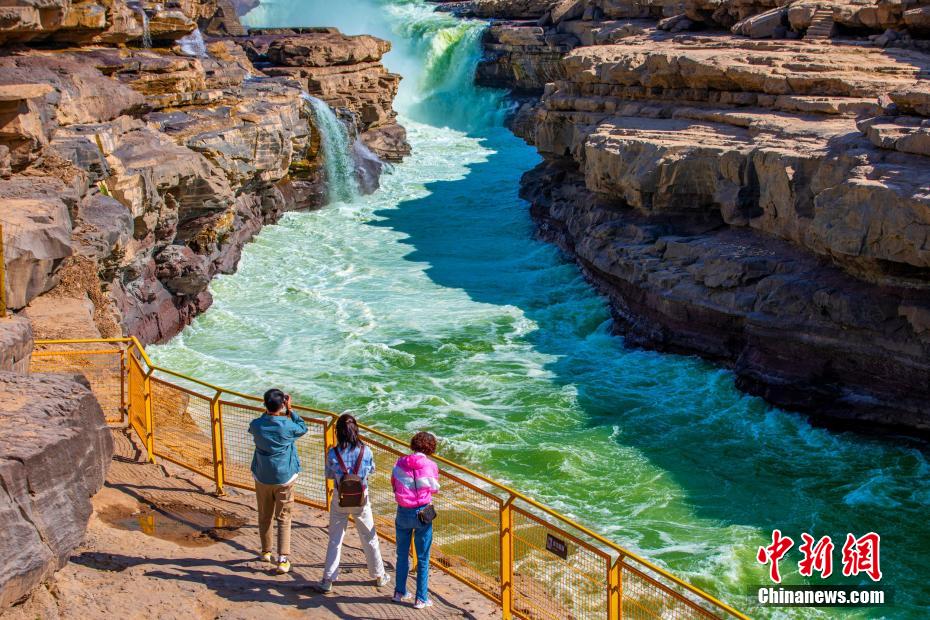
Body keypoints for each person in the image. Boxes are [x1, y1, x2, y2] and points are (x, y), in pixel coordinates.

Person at [319, 413, 389, 592]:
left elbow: (328, 475)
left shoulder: (333, 452)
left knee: (335, 539)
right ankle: (379, 576)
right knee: (369, 537)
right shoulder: (366, 451)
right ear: (355, 431)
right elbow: (371, 470)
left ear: (338, 432)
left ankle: (328, 579)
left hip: (339, 498)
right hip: (361, 499)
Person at [248, 388, 307, 574]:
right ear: (283, 404)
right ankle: (282, 559)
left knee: (264, 515)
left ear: (265, 405)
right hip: (284, 477)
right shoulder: (287, 426)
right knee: (284, 517)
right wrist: (290, 410)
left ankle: (266, 551)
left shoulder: (257, 425)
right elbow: (302, 428)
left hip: (262, 475)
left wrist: (270, 411)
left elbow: (255, 426)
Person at [391, 431, 440, 609]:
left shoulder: (399, 462)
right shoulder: (431, 465)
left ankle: (399, 592)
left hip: (403, 512)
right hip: (422, 514)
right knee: (423, 558)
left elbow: (394, 483)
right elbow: (434, 488)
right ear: (430, 448)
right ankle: (421, 598)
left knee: (402, 554)